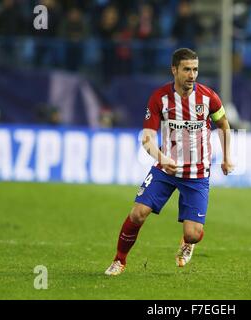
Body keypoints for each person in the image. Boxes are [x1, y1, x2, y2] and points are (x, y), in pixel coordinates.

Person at [105, 48, 234, 276]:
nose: (192, 75)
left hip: (197, 174)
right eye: (187, 69)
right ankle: (119, 260)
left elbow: (223, 125)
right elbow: (147, 137)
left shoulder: (209, 98)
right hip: (165, 169)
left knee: (194, 233)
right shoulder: (160, 98)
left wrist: (227, 158)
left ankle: (188, 242)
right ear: (174, 70)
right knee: (137, 213)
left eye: (195, 69)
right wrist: (161, 157)